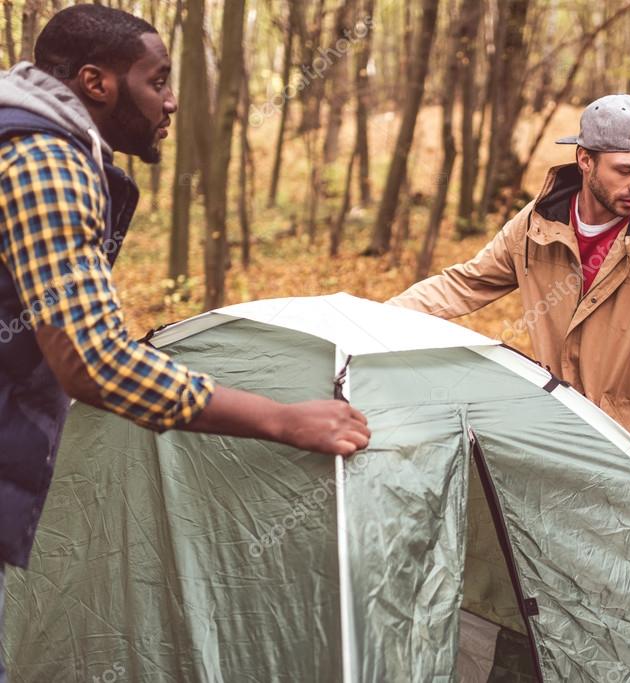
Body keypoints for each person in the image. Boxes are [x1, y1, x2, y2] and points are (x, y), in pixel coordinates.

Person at [0, 8, 371, 676]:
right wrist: (282, 419)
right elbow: (92, 359)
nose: (171, 101)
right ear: (96, 82)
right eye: (157, 80)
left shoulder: (39, 144)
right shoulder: (43, 161)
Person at [387, 94, 630, 489]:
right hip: (552, 432)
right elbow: (463, 283)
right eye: (624, 170)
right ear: (585, 160)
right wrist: (375, 319)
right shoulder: (537, 224)